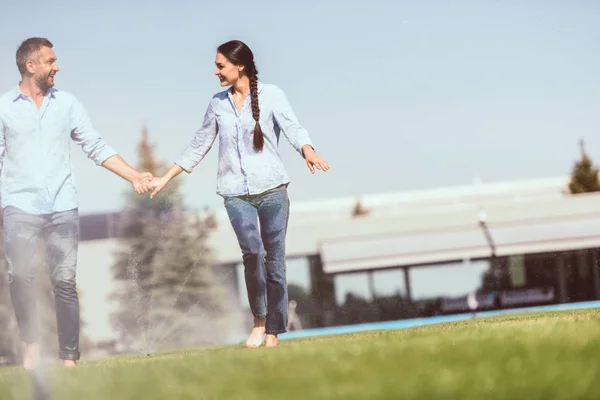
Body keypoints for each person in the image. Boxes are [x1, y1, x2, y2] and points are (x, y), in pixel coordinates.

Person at [148, 40, 329, 348]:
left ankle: (274, 331)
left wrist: (308, 152)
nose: (216, 71)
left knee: (275, 261)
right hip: (235, 193)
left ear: (239, 66)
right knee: (253, 254)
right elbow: (198, 144)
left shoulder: (272, 95)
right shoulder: (217, 104)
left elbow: (293, 129)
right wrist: (165, 177)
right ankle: (259, 322)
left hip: (273, 189)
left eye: (220, 66)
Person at [0, 37, 153, 370]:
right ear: (31, 66)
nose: (57, 66)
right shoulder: (4, 108)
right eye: (51, 60)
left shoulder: (67, 104)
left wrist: (133, 176)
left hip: (61, 205)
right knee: (20, 276)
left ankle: (69, 357)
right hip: (18, 206)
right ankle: (31, 345)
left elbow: (95, 146)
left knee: (64, 282)